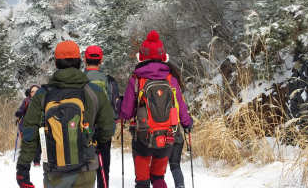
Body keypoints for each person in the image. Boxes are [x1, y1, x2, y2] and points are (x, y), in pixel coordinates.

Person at [16, 41, 115, 188]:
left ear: (56, 64)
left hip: (54, 171)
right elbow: (108, 128)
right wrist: (96, 143)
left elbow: (30, 133)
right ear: (80, 62)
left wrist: (23, 168)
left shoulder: (42, 94)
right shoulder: (94, 91)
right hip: (86, 168)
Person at [117, 31, 193, 188]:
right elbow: (180, 106)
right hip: (167, 136)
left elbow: (126, 113)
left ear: (141, 57)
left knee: (142, 181)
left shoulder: (137, 79)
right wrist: (187, 123)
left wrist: (119, 104)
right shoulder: (170, 79)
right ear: (163, 57)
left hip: (143, 138)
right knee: (158, 178)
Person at [83, 45, 121, 188]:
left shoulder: (78, 80)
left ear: (84, 60)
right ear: (101, 60)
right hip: (104, 130)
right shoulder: (109, 80)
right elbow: (115, 107)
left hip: (83, 130)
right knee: (103, 167)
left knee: (83, 168)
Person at [167, 65, 189, 188]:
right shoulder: (175, 86)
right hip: (175, 131)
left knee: (156, 170)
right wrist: (188, 124)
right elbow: (182, 110)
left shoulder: (150, 84)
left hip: (155, 133)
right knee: (175, 165)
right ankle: (179, 185)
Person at [15, 85, 41, 167]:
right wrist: (19, 115)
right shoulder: (26, 100)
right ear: (30, 93)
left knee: (38, 143)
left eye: (36, 91)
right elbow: (21, 110)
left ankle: (36, 161)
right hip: (27, 124)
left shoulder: (43, 100)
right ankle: (26, 161)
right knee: (27, 143)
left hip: (39, 124)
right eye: (32, 91)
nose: (34, 93)